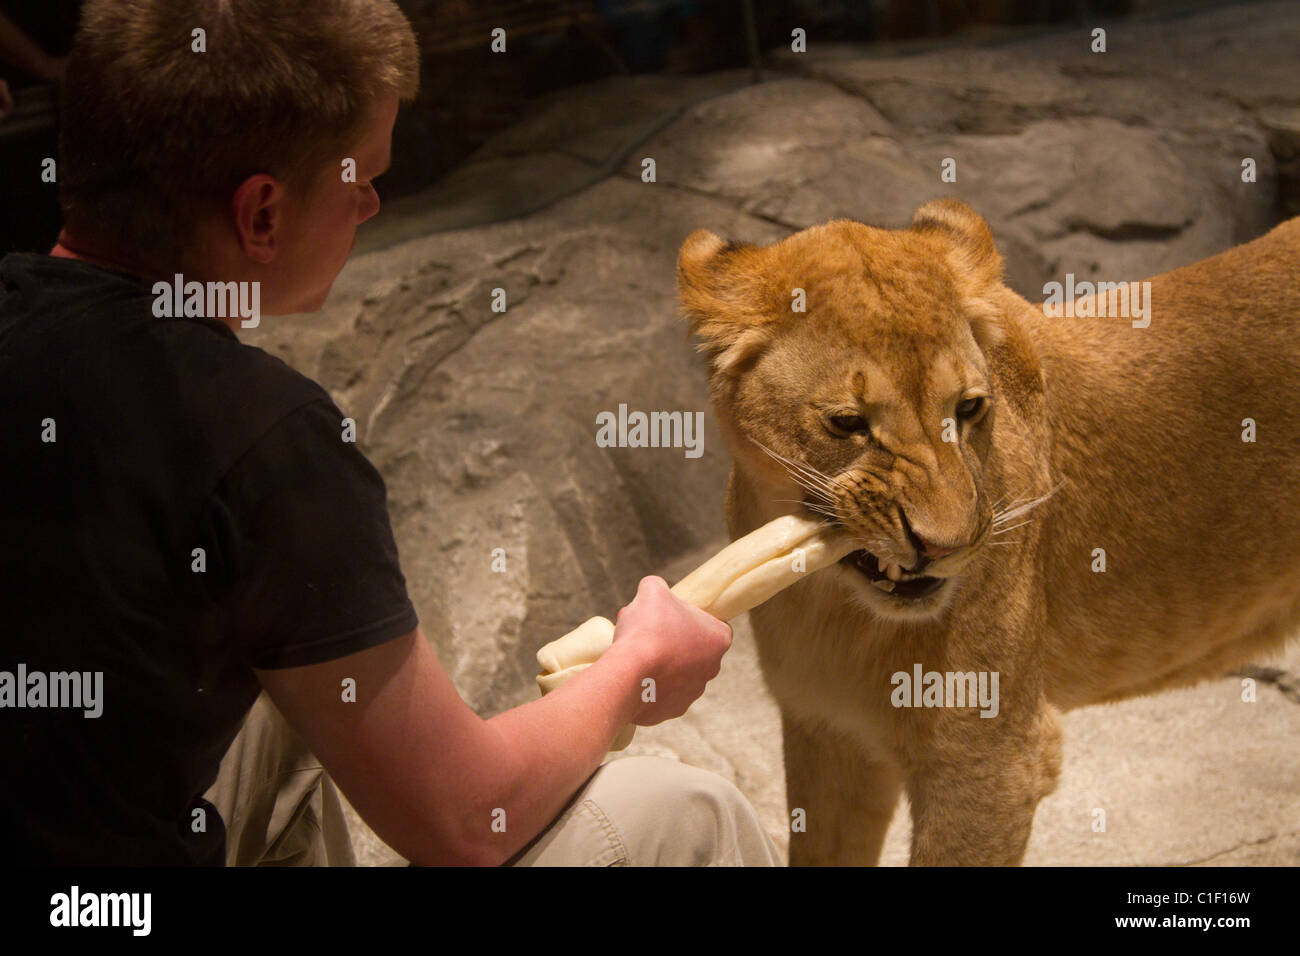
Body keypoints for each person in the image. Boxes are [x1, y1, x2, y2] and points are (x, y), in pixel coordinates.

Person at [0, 0, 780, 867]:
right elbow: (466, 822)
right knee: (686, 811)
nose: (372, 204)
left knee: (288, 667)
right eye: (361, 181)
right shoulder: (261, 435)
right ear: (261, 214)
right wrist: (631, 673)